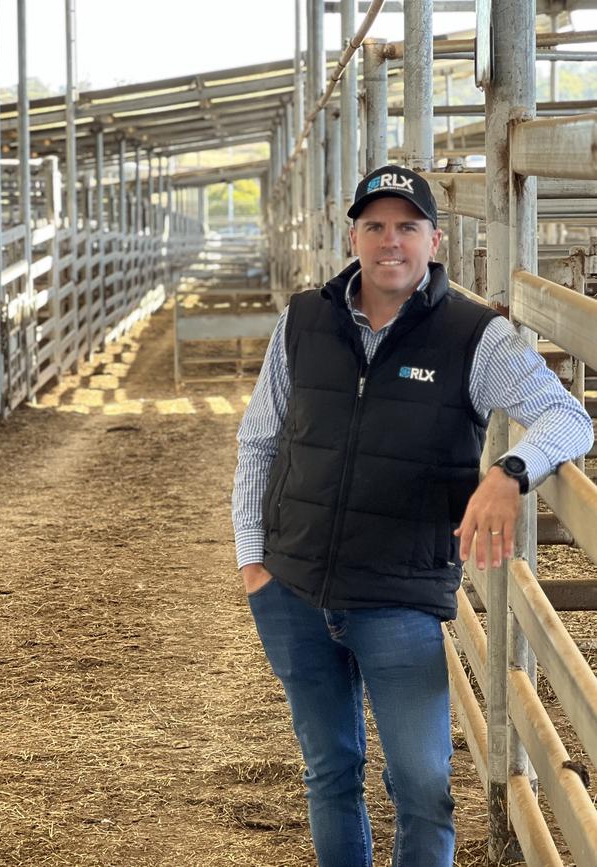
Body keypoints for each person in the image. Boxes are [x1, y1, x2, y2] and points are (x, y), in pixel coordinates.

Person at [231, 164, 594, 867]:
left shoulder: (471, 336)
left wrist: (510, 471)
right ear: (353, 236)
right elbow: (258, 439)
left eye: (407, 226)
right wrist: (254, 562)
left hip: (398, 598)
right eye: (375, 225)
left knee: (424, 785)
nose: (389, 241)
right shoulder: (305, 320)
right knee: (330, 772)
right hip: (293, 589)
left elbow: (567, 415)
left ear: (435, 241)